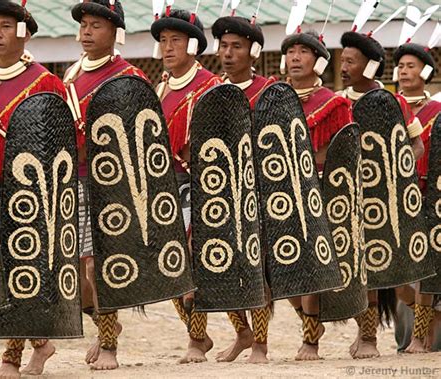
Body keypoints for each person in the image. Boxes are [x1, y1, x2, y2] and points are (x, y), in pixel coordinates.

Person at [0, 0, 66, 377]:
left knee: (21, 271)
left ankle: (12, 358)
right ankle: (41, 344)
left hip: (33, 192)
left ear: (22, 32)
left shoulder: (46, 83)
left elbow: (60, 145)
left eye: (5, 27)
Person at [64, 0, 148, 371]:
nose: (86, 32)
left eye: (96, 25)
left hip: (115, 185)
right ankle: (104, 328)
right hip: (77, 181)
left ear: (116, 33)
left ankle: (111, 345)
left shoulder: (129, 78)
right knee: (79, 272)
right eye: (83, 25)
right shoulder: (68, 76)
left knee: (99, 265)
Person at [339, 30, 425, 359]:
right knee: (363, 275)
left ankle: (425, 324)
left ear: (370, 66)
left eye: (351, 61)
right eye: (342, 60)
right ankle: (368, 337)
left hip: (391, 203)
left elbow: (415, 145)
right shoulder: (338, 102)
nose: (344, 66)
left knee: (401, 283)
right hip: (353, 204)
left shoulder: (395, 102)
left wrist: (395, 173)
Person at [150, 7, 221, 364]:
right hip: (169, 185)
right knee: (172, 263)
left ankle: (221, 337)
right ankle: (199, 336)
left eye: (175, 39)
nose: (167, 47)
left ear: (193, 44)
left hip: (206, 185)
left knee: (195, 261)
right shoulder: (160, 88)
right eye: (163, 40)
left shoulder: (212, 87)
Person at [281, 30, 352, 360]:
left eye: (303, 52)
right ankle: (312, 323)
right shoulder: (275, 100)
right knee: (279, 269)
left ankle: (310, 341)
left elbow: (344, 155)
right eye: (290, 52)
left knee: (310, 267)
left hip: (321, 194)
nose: (295, 57)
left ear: (319, 61)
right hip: (281, 194)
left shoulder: (335, 104)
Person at [211, 15, 275, 364]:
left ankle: (261, 345)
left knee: (256, 269)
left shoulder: (270, 92)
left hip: (261, 192)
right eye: (224, 46)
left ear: (254, 52)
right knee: (221, 268)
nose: (228, 53)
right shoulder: (211, 92)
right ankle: (242, 332)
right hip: (221, 194)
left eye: (237, 46)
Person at [393, 42, 441, 353]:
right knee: (399, 278)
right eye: (401, 66)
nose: (404, 71)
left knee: (427, 271)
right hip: (396, 199)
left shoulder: (438, 111)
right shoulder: (388, 105)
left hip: (430, 196)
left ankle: (422, 337)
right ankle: (429, 321)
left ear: (424, 72)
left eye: (411, 66)